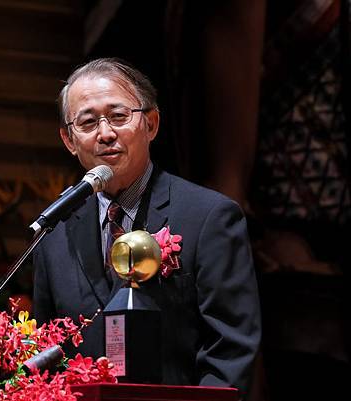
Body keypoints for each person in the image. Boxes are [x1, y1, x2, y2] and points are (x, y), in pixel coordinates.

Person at [32, 58, 261, 399]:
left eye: (119, 116)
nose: (106, 133)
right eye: (88, 122)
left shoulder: (209, 217)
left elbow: (231, 350)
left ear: (151, 124)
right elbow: (48, 351)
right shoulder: (56, 230)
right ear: (69, 140)